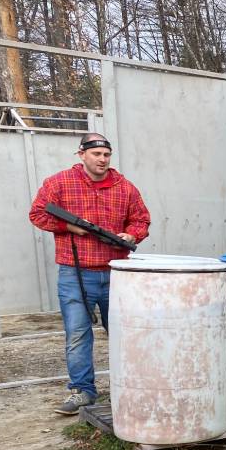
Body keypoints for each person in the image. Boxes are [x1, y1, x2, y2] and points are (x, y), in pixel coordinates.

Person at [29, 133, 150, 415]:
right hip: (75, 273)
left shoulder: (125, 187)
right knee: (77, 334)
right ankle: (82, 391)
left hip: (118, 272)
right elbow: (37, 214)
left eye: (107, 155)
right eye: (96, 154)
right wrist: (70, 227)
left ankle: (133, 387)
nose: (102, 159)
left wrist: (129, 234)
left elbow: (142, 219)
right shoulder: (59, 183)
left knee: (124, 334)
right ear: (81, 154)